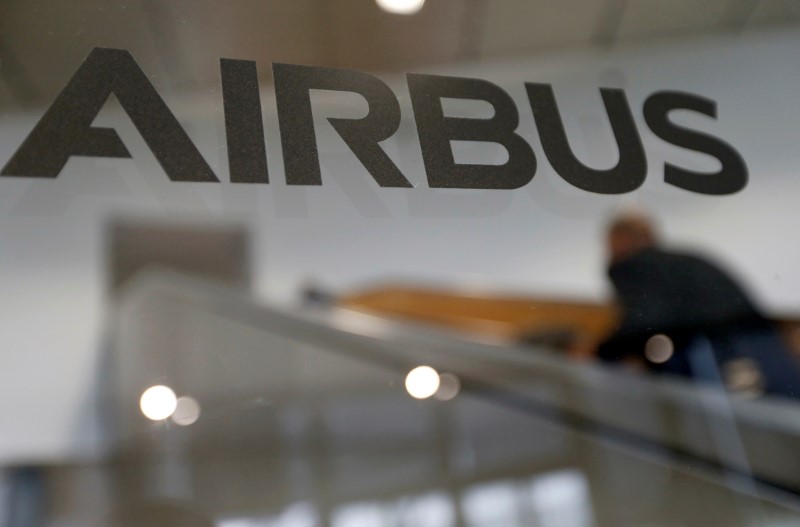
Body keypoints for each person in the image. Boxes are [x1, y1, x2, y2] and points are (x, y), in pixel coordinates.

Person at [597, 211, 800, 399]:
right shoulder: (689, 259)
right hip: (763, 344)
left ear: (619, 240)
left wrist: (600, 352)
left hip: (716, 350)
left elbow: (646, 320)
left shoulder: (631, 265)